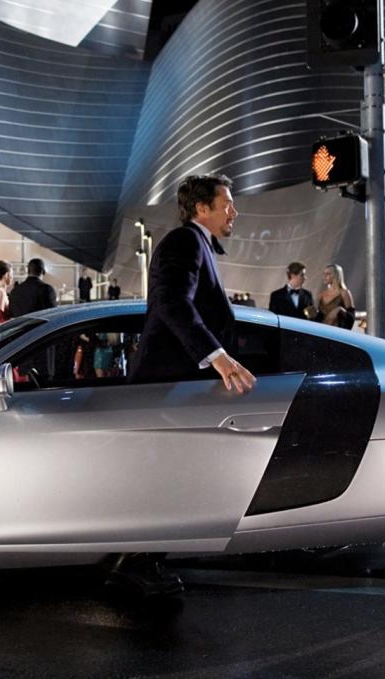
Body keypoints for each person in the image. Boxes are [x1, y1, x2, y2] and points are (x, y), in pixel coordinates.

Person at [119, 174, 256, 597]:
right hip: (166, 385)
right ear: (202, 209)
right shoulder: (185, 242)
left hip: (174, 386)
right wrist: (217, 356)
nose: (234, 211)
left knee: (170, 472)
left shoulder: (198, 245)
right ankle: (138, 563)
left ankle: (146, 559)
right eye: (227, 203)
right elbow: (171, 301)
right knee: (162, 473)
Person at [316, 264, 355, 328]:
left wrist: (340, 309)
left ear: (335, 275)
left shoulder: (344, 293)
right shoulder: (321, 295)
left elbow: (351, 317)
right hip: (322, 332)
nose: (324, 276)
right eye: (324, 274)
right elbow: (317, 318)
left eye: (328, 274)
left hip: (337, 333)